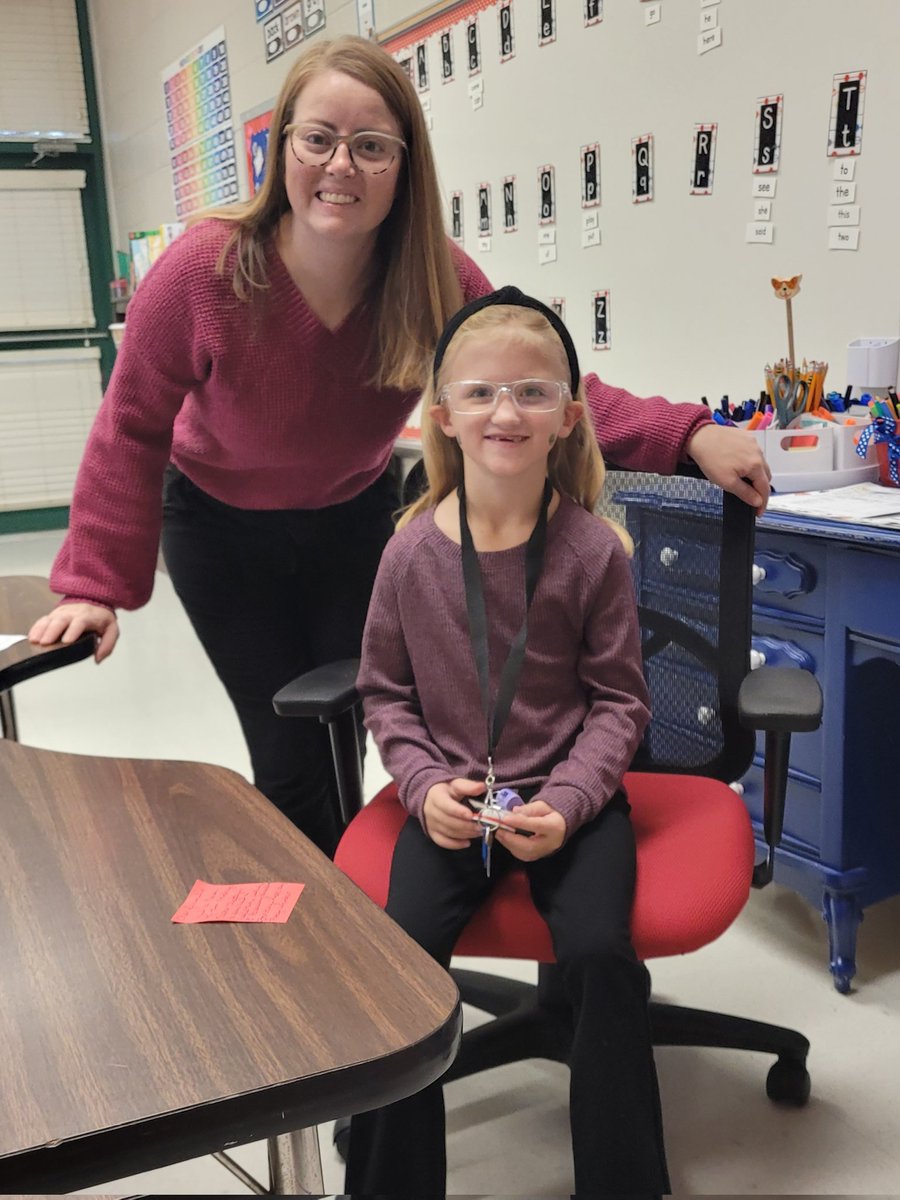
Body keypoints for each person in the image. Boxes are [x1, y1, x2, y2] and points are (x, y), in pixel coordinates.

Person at [29, 34, 768, 858]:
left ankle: (362, 903)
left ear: (404, 164)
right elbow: (131, 423)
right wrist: (93, 585)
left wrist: (689, 432)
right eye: (318, 139)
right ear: (282, 151)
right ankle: (322, 924)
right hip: (218, 528)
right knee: (289, 754)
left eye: (372, 146)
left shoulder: (431, 277)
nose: (340, 165)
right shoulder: (204, 271)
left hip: (353, 520)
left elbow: (539, 383)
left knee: (361, 729)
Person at [348, 286, 668, 1197]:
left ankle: (624, 1183)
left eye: (532, 392)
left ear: (569, 416)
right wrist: (421, 788)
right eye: (481, 392)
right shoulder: (409, 553)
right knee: (400, 958)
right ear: (443, 416)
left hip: (570, 803)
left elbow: (619, 703)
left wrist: (567, 804)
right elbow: (385, 692)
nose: (506, 412)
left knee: (601, 955)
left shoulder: (593, 551)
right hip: (451, 803)